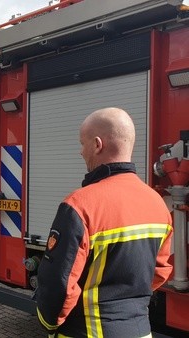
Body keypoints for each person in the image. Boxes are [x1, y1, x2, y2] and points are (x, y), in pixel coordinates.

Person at [35, 107, 173, 337]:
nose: (81, 152)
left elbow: (59, 284)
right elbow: (159, 270)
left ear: (97, 145)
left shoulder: (79, 205)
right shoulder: (157, 203)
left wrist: (49, 324)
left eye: (83, 143)